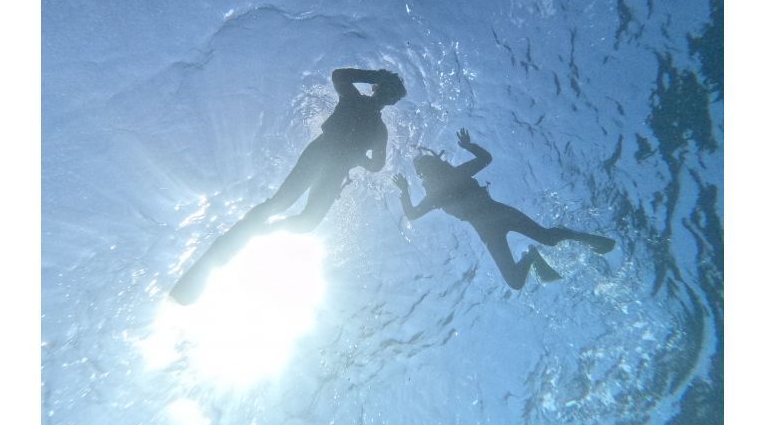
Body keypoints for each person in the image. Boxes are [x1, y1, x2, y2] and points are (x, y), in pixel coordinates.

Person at [171, 67, 407, 304]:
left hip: (335, 170)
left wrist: (358, 158)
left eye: (392, 95)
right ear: (378, 87)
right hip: (320, 153)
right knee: (281, 202)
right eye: (386, 89)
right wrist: (376, 75)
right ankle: (246, 230)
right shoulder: (354, 99)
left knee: (308, 222)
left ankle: (260, 230)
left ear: (393, 102)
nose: (387, 96)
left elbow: (377, 164)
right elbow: (339, 75)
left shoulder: (379, 130)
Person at [392, 128, 616, 290]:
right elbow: (412, 214)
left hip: (499, 215)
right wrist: (403, 191)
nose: (428, 172)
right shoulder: (436, 195)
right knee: (515, 281)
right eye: (423, 170)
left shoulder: (454, 177)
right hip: (488, 230)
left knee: (548, 237)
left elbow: (485, 158)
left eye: (427, 166)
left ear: (437, 165)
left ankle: (587, 239)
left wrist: (470, 146)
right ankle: (531, 257)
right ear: (423, 176)